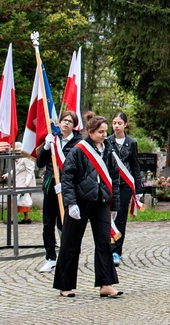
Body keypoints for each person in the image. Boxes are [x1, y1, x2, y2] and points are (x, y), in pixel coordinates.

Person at [53, 114, 123, 298]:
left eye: (105, 132)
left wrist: (114, 205)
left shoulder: (108, 150)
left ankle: (106, 283)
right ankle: (65, 284)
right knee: (70, 242)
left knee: (103, 242)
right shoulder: (78, 150)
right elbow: (67, 178)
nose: (104, 135)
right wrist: (71, 203)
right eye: (100, 132)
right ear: (90, 132)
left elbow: (114, 179)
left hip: (101, 201)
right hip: (80, 201)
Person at [35, 110, 81, 273]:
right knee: (48, 224)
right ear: (59, 123)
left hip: (68, 190)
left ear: (74, 125)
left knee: (65, 224)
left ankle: (67, 254)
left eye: (69, 121)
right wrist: (46, 147)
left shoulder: (78, 143)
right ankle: (50, 257)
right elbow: (40, 163)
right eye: (64, 120)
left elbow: (79, 167)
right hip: (50, 188)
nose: (66, 123)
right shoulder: (53, 140)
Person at [108, 112, 143, 266]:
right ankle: (107, 248)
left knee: (121, 217)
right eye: (114, 122)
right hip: (110, 184)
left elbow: (135, 166)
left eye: (119, 123)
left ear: (125, 124)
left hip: (125, 185)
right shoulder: (107, 141)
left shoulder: (132, 142)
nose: (116, 126)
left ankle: (116, 251)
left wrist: (139, 188)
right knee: (108, 217)